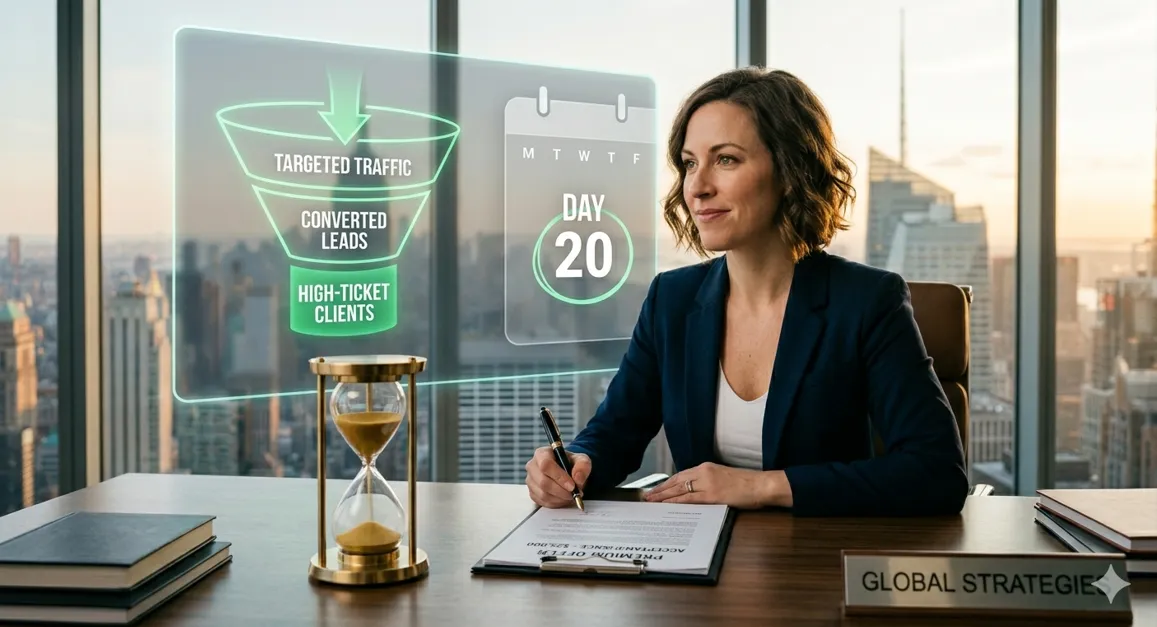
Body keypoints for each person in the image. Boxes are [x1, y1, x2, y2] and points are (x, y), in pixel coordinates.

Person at [524, 67, 970, 517]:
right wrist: (575, 464)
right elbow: (613, 434)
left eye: (726, 159)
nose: (696, 188)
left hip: (816, 567)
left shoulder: (868, 300)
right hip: (693, 565)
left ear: (790, 170)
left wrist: (760, 487)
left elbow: (936, 473)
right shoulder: (671, 299)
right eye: (690, 162)